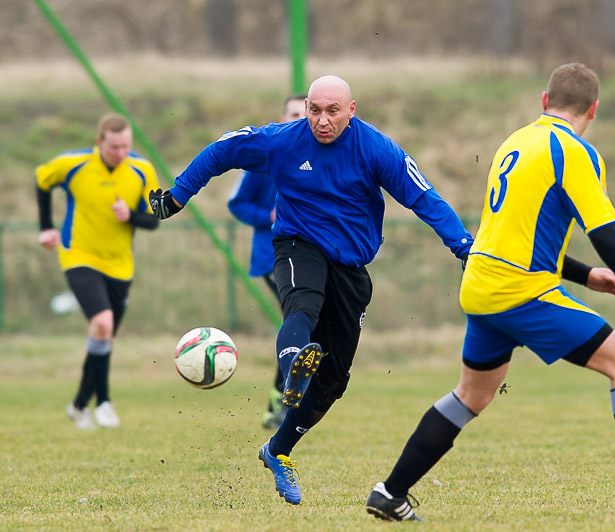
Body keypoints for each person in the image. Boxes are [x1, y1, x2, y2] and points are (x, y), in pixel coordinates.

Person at [365, 63, 615, 521]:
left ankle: (389, 492)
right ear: (593, 110)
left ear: (544, 101)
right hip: (520, 291)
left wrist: (585, 276)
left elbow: (514, 236)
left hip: (481, 285)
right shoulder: (574, 151)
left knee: (471, 396)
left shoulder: (515, 142)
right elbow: (606, 233)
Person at [148, 75, 474, 505]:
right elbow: (223, 149)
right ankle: (291, 365)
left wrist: (464, 246)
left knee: (334, 381)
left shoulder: (376, 149)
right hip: (297, 244)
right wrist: (178, 195)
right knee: (302, 304)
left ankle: (277, 450)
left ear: (351, 110)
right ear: (305, 107)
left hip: (352, 265)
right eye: (314, 110)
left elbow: (424, 198)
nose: (321, 120)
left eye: (332, 111)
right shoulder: (282, 140)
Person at [36, 112, 160, 430]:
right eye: (114, 146)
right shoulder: (72, 165)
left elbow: (153, 219)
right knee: (102, 323)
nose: (121, 153)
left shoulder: (142, 170)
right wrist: (46, 227)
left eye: (126, 146)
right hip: (79, 255)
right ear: (99, 141)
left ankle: (78, 405)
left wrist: (129, 214)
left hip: (120, 265)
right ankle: (103, 402)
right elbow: (42, 180)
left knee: (103, 337)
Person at [227, 93, 306, 430]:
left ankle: (286, 397)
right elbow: (237, 203)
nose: (300, 120)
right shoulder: (268, 158)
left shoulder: (323, 158)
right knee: (299, 317)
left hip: (309, 257)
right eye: (293, 114)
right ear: (282, 117)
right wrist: (267, 216)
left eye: (307, 114)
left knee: (307, 320)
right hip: (271, 256)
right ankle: (281, 400)